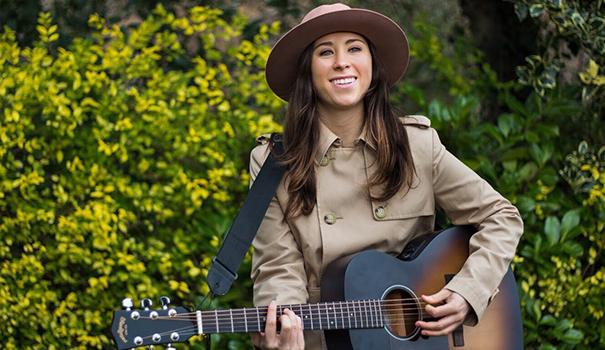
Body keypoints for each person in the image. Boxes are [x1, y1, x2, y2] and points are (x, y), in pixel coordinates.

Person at [248, 3, 523, 349]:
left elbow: (502, 217)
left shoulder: (417, 146)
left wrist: (467, 292)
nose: (341, 62)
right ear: (307, 71)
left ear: (372, 66)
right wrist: (284, 332)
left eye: (354, 48)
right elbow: (278, 267)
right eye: (325, 52)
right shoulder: (276, 163)